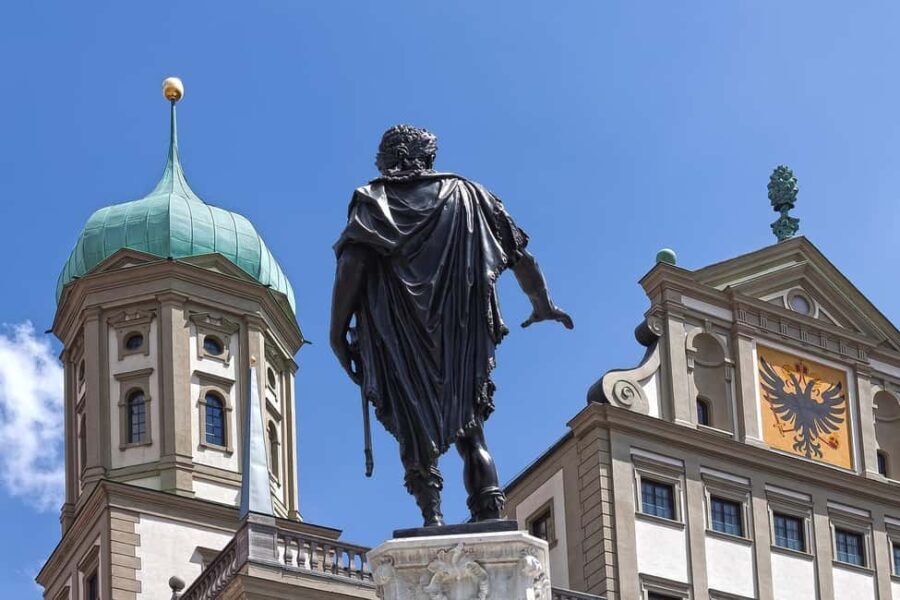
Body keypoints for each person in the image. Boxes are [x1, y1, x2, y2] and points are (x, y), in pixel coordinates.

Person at [331, 125, 573, 526]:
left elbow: (352, 266)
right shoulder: (470, 195)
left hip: (398, 333)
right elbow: (520, 255)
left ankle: (432, 519)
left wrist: (337, 331)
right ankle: (489, 511)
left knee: (414, 426)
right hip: (460, 334)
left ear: (392, 159)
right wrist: (542, 303)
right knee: (471, 430)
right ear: (427, 158)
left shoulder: (372, 199)